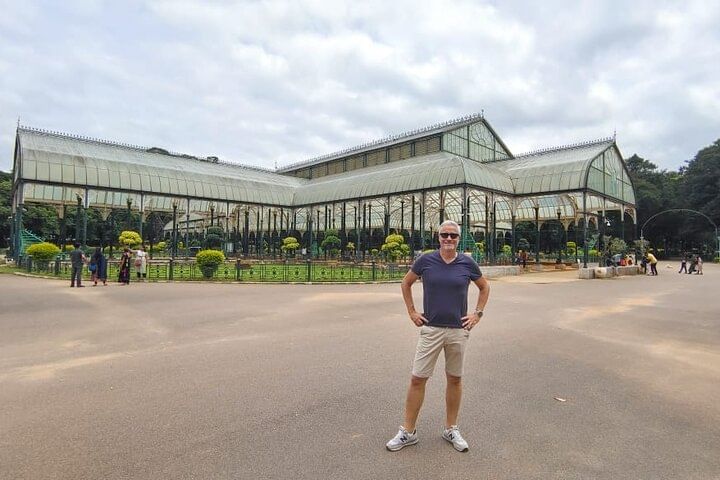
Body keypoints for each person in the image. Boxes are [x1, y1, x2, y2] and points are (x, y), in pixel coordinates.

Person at [386, 220, 490, 453]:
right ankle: (408, 431)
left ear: (459, 238)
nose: (449, 239)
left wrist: (477, 314)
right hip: (431, 329)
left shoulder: (467, 263)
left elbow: (484, 287)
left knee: (454, 379)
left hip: (458, 330)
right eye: (445, 235)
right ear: (438, 236)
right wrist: (412, 312)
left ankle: (451, 428)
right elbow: (406, 283)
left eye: (453, 235)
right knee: (417, 378)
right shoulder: (426, 260)